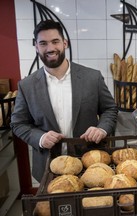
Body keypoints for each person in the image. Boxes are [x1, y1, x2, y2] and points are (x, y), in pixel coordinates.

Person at [10, 20, 118, 182]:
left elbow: (109, 109)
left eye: (55, 41)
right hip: (49, 167)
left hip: (91, 166)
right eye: (43, 43)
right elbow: (18, 124)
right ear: (37, 47)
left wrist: (102, 129)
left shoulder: (92, 78)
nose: (50, 48)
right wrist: (40, 138)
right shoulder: (27, 86)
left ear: (65, 43)